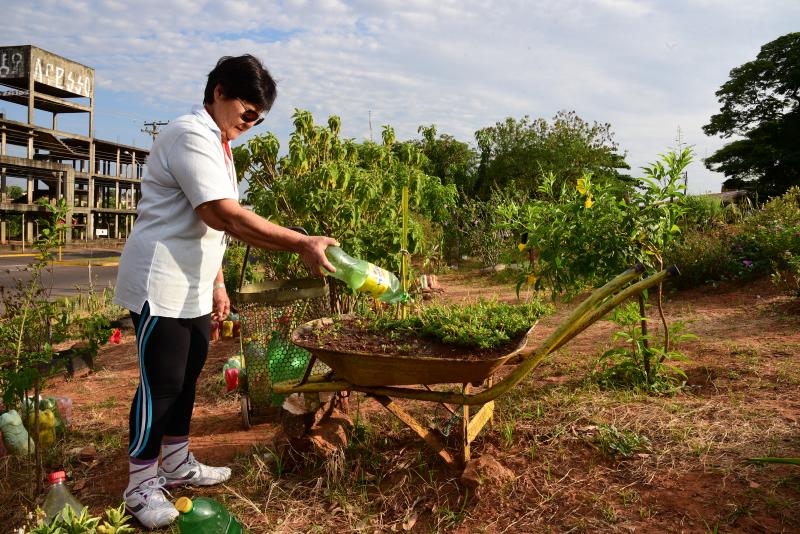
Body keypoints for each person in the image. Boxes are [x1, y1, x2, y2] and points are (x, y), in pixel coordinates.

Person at [113, 54, 337, 528]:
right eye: (247, 110)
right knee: (162, 383)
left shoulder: (220, 144)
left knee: (189, 375)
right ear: (218, 92)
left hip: (193, 283)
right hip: (161, 282)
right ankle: (140, 485)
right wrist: (301, 243)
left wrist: (217, 284)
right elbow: (223, 215)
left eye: (259, 117)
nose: (251, 122)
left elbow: (209, 228)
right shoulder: (189, 134)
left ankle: (176, 464)